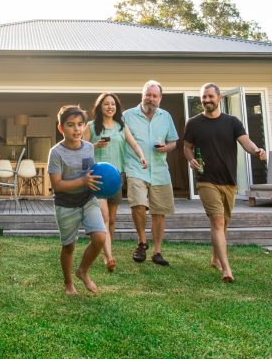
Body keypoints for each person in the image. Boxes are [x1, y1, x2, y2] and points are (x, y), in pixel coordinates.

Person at [182, 82, 266, 283]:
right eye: (204, 97)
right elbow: (186, 147)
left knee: (224, 223)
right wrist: (190, 158)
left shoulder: (232, 122)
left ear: (219, 98)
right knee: (217, 221)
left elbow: (246, 142)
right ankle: (226, 269)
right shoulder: (193, 123)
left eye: (210, 96)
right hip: (206, 180)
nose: (207, 100)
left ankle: (214, 257)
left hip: (229, 181)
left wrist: (256, 151)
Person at [84, 92, 147, 273]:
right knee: (103, 217)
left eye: (113, 104)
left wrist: (142, 157)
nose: (110, 107)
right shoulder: (91, 126)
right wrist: (95, 146)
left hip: (116, 177)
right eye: (106, 104)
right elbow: (81, 147)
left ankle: (105, 251)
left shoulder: (121, 126)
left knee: (111, 219)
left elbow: (134, 144)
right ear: (100, 107)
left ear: (116, 108)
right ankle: (108, 256)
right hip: (98, 177)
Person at [48, 104, 106, 295]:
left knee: (99, 237)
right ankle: (68, 283)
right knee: (69, 246)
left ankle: (83, 271)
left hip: (87, 199)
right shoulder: (55, 153)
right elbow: (57, 184)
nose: (77, 129)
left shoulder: (89, 148)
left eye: (80, 124)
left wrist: (104, 182)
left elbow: (91, 173)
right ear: (61, 128)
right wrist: (82, 180)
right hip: (65, 204)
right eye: (71, 125)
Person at [122, 80, 178, 266]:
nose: (151, 98)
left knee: (159, 212)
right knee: (138, 204)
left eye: (155, 96)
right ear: (142, 95)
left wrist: (166, 148)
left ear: (160, 98)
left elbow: (173, 142)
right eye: (148, 94)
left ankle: (157, 251)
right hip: (136, 167)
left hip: (160, 171)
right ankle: (141, 242)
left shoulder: (166, 116)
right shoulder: (127, 116)